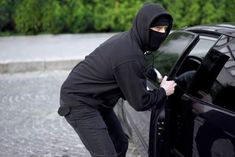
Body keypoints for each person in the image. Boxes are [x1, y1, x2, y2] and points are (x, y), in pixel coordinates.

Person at [58, 3, 176, 157]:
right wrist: (163, 91)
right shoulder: (130, 55)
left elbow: (129, 76)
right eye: (158, 28)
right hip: (79, 102)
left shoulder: (130, 40)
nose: (162, 33)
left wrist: (151, 77)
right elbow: (140, 103)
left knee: (120, 142)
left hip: (98, 100)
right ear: (144, 25)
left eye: (165, 29)